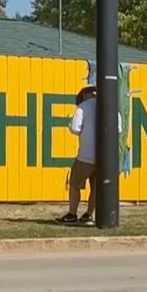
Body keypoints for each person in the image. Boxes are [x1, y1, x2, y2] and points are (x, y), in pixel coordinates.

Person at [57, 86, 98, 225]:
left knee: (75, 184)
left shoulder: (83, 107)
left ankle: (72, 214)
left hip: (86, 154)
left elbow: (75, 128)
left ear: (85, 95)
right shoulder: (109, 104)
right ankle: (89, 215)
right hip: (104, 157)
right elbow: (119, 128)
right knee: (96, 187)